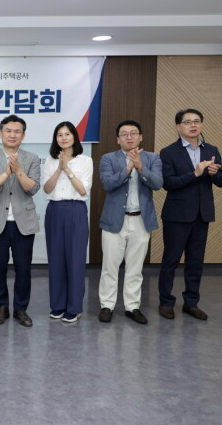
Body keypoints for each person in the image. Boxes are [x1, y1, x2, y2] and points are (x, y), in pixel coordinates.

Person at [158, 109, 222, 321]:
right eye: (187, 122)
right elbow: (168, 183)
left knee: (195, 262)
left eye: (197, 121)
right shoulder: (168, 152)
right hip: (176, 215)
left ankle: (191, 303)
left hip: (201, 215)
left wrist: (215, 174)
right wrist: (195, 174)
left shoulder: (211, 150)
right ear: (178, 126)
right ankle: (166, 302)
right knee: (171, 261)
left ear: (201, 125)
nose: (193, 125)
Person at [98, 120, 162, 325]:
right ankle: (107, 305)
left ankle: (132, 306)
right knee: (110, 266)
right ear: (118, 139)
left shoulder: (152, 158)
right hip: (114, 220)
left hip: (141, 220)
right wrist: (128, 168)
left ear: (140, 137)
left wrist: (141, 167)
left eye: (133, 133)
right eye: (124, 134)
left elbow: (158, 183)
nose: (129, 137)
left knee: (135, 267)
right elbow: (108, 183)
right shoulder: (108, 158)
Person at [0, 115, 41, 327]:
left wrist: (19, 171)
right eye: (8, 130)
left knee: (23, 268)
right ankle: (1, 307)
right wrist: (6, 173)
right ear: (0, 133)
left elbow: (33, 188)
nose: (12, 135)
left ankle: (21, 308)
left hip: (24, 222)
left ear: (23, 135)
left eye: (17, 131)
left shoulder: (32, 158)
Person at [41, 121, 93, 323]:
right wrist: (58, 169)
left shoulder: (85, 161)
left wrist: (68, 170)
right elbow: (47, 189)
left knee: (75, 260)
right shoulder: (50, 160)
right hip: (54, 211)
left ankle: (74, 307)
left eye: (67, 134)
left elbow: (83, 190)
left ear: (74, 137)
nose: (63, 138)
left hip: (75, 210)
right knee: (56, 261)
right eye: (59, 135)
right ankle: (58, 305)